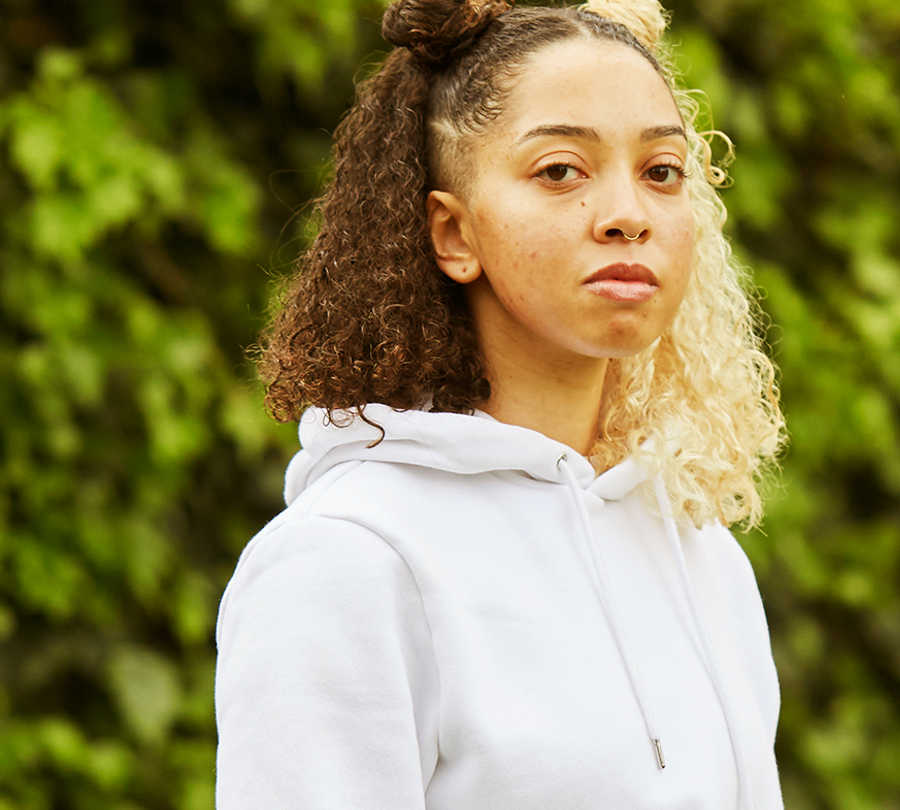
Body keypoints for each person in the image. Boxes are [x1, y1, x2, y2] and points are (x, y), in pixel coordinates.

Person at [213, 0, 787, 806]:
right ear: (453, 235)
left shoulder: (700, 554)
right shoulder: (349, 561)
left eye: (661, 172)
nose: (627, 216)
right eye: (560, 171)